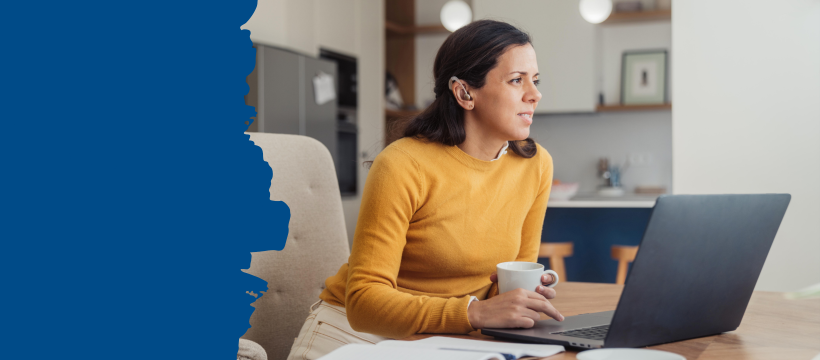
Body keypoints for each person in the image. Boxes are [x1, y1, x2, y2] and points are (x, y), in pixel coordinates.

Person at [286, 19, 561, 360]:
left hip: (445, 339)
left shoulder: (535, 165)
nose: (534, 94)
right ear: (464, 93)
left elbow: (513, 274)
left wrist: (519, 295)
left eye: (534, 81)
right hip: (354, 336)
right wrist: (473, 313)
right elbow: (363, 303)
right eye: (516, 80)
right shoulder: (403, 165)